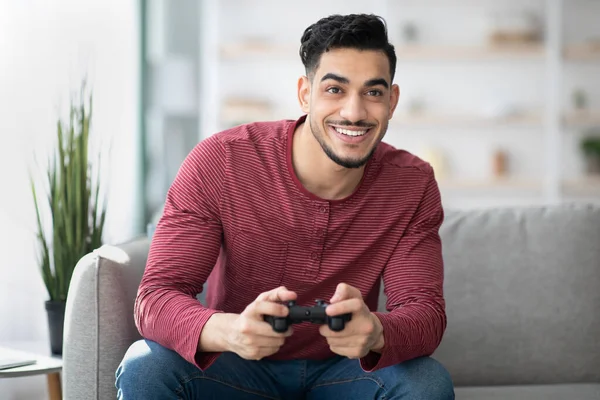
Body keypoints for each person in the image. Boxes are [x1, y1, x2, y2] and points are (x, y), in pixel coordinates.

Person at [116, 13, 455, 400]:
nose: (355, 112)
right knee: (146, 366)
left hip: (347, 374)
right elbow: (156, 297)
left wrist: (377, 331)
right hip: (234, 364)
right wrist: (231, 330)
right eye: (335, 90)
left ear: (392, 101)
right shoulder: (221, 160)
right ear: (305, 94)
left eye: (373, 93)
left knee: (427, 381)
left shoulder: (413, 183)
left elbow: (425, 313)